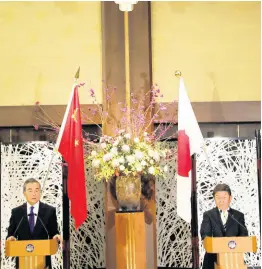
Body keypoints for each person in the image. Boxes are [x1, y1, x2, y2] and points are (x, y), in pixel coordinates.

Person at [7, 178, 61, 269]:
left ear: (40, 192)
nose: (34, 194)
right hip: (23, 262)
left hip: (43, 263)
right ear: (24, 193)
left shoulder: (50, 211)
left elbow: (54, 233)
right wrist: (10, 238)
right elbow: (11, 234)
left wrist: (56, 237)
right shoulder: (16, 212)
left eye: (37, 190)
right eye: (30, 190)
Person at [200, 183, 248, 269]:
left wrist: (233, 245)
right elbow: (205, 235)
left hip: (234, 259)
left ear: (230, 198)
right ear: (214, 198)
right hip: (212, 260)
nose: (221, 200)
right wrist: (217, 245)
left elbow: (244, 234)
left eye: (224, 197)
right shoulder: (208, 215)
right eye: (218, 197)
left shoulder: (238, 216)